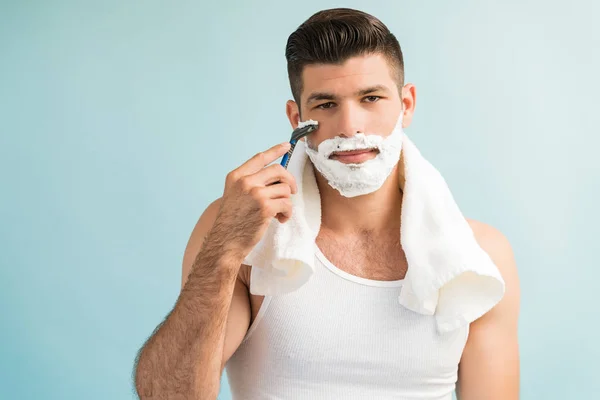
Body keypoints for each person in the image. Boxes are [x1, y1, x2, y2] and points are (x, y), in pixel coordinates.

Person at [134, 8, 520, 400]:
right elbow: (168, 396)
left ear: (406, 104)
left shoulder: (476, 257)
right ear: (296, 116)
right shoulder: (243, 232)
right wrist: (224, 248)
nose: (350, 125)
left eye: (371, 98)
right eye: (325, 105)